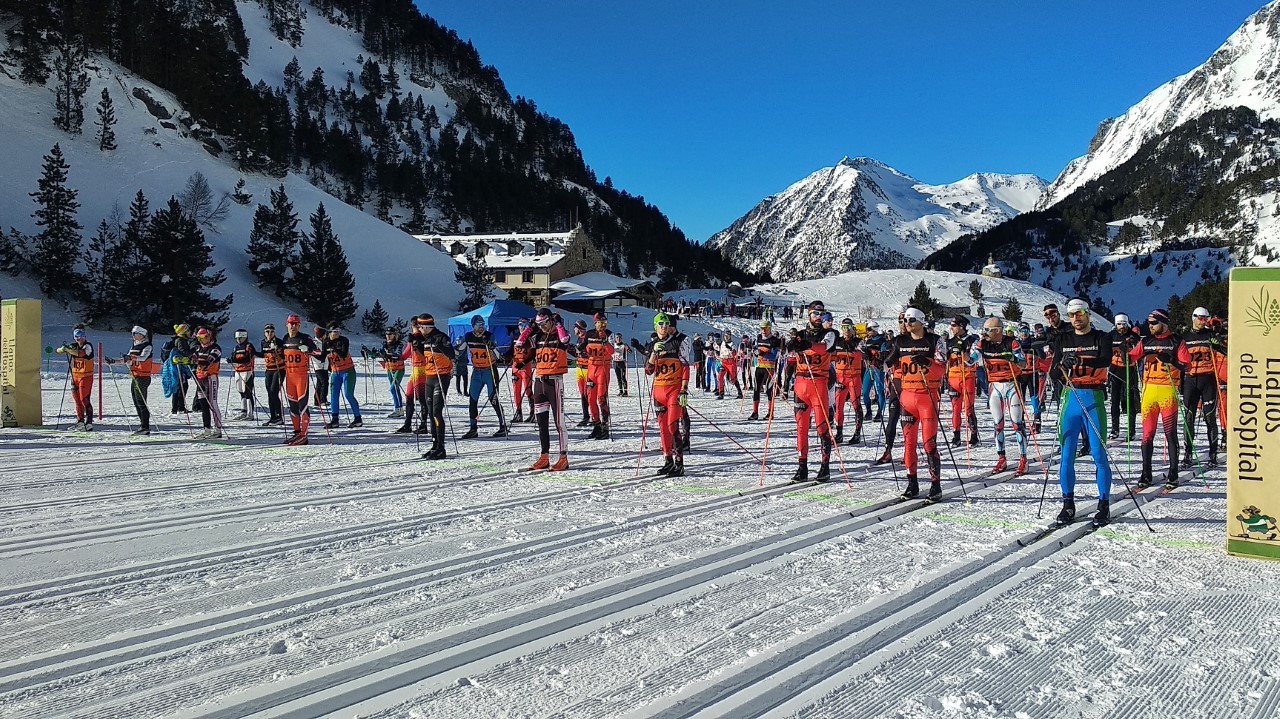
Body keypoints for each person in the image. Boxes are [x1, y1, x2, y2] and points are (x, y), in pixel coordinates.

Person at [1048, 298, 1114, 525]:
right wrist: (1063, 364)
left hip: (1093, 396)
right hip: (1071, 398)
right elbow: (1054, 374)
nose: (1076, 318)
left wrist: (1082, 358)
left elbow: (1105, 359)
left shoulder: (1101, 337)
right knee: (1067, 455)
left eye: (1080, 313)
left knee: (1098, 454)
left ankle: (1103, 505)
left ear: (1088, 314)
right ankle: (1068, 505)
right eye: (1072, 314)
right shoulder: (1062, 339)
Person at [884, 308, 946, 498]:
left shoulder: (935, 341)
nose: (907, 323)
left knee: (929, 444)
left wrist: (927, 363)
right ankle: (912, 483)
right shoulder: (900, 341)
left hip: (927, 397)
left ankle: (935, 485)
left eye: (911, 320)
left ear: (921, 321)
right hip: (907, 397)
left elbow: (942, 369)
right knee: (908, 444)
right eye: (904, 320)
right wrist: (880, 360)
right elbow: (888, 362)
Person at [1128, 308, 1190, 489]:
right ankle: (1146, 473)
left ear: (1163, 323)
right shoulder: (1146, 341)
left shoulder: (1176, 340)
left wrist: (1171, 361)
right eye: (1149, 323)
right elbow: (1130, 359)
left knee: (1170, 433)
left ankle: (1173, 473)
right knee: (1147, 434)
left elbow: (1187, 366)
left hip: (1167, 391)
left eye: (1154, 323)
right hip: (1148, 392)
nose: (1150, 326)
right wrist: (1125, 350)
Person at [787, 301, 838, 482]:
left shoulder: (830, 333)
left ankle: (825, 467)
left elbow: (824, 348)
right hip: (801, 384)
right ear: (808, 315)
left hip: (819, 383)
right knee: (801, 428)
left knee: (822, 427)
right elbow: (790, 347)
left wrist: (805, 346)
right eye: (815, 314)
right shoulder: (801, 334)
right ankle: (802, 467)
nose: (819, 317)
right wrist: (791, 344)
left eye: (821, 314)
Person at [515, 307, 571, 470]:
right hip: (540, 382)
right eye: (539, 324)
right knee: (541, 423)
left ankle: (563, 457)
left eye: (544, 323)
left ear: (551, 320)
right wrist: (531, 327)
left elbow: (565, 340)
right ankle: (544, 456)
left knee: (559, 423)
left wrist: (558, 324)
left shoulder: (559, 334)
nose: (542, 327)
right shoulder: (538, 336)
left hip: (554, 382)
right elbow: (520, 343)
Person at [972, 319, 1029, 475]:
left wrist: (1012, 359)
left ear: (998, 330)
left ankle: (1023, 459)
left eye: (987, 330)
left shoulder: (1012, 343)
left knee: (1017, 423)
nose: (984, 332)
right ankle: (1001, 458)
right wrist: (961, 351)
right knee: (998, 424)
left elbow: (1024, 364)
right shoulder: (983, 344)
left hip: (1012, 385)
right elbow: (971, 360)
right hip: (995, 386)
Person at [643, 312, 693, 476]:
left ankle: (679, 463)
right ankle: (668, 461)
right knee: (663, 428)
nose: (664, 326)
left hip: (674, 390)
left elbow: (685, 367)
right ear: (655, 326)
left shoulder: (678, 342)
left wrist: (684, 389)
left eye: (666, 323)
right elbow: (648, 371)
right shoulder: (652, 345)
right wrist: (653, 354)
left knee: (672, 426)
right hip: (658, 391)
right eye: (661, 323)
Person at [1181, 306, 1226, 467]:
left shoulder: (1210, 335)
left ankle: (1212, 453)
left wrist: (1219, 342)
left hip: (1208, 379)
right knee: (1189, 418)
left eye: (1205, 318)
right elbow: (1177, 359)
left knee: (1210, 417)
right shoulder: (1184, 337)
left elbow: (1227, 351)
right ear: (1193, 318)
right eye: (1200, 318)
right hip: (1190, 380)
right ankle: (1187, 454)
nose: (1203, 321)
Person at [406, 313, 455, 459]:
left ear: (427, 326)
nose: (419, 329)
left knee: (437, 412)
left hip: (441, 376)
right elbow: (424, 354)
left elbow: (451, 353)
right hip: (429, 376)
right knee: (429, 410)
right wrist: (415, 344)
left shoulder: (440, 337)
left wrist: (438, 346)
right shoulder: (425, 338)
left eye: (420, 326)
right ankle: (434, 445)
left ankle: (441, 447)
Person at [461, 315, 508, 439]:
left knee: (493, 399)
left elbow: (498, 356)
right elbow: (459, 350)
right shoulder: (468, 336)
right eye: (478, 325)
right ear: (473, 326)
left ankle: (503, 427)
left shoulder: (489, 336)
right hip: (477, 371)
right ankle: (473, 428)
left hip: (489, 370)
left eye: (483, 325)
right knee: (473, 399)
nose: (481, 327)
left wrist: (491, 346)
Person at [107, 325, 154, 435]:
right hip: (135, 375)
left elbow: (143, 358)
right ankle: (142, 425)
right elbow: (126, 359)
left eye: (135, 334)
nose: (133, 336)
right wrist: (113, 362)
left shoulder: (147, 346)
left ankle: (145, 427)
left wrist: (131, 358)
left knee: (141, 401)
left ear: (141, 335)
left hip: (143, 377)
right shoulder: (134, 346)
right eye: (132, 334)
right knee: (136, 400)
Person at [282, 314, 321, 445]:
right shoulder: (285, 339)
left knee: (302, 406)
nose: (293, 326)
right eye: (291, 323)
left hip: (301, 376)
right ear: (286, 324)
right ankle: (297, 432)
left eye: (295, 324)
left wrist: (308, 349)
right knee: (292, 407)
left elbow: (319, 353)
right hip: (289, 377)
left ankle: (304, 435)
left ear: (299, 325)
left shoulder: (305, 338)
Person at [944, 316, 979, 447]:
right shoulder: (949, 342)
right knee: (955, 408)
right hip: (953, 378)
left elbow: (974, 359)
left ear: (961, 326)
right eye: (951, 326)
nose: (951, 328)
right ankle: (956, 435)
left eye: (954, 326)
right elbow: (944, 359)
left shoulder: (972, 340)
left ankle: (974, 434)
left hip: (968, 377)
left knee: (969, 408)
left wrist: (963, 351)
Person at [830, 318, 864, 444]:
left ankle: (857, 433)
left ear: (852, 329)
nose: (846, 330)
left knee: (856, 404)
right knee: (838, 406)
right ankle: (839, 433)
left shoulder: (857, 341)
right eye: (843, 327)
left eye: (848, 328)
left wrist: (855, 350)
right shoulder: (838, 341)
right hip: (840, 377)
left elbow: (864, 352)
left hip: (853, 377)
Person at [581, 312, 614, 439]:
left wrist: (605, 340)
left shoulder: (609, 334)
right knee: (590, 398)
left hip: (603, 369)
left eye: (605, 322)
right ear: (595, 323)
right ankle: (596, 424)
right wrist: (581, 351)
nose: (603, 325)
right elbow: (581, 347)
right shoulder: (589, 334)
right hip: (591, 369)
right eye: (600, 323)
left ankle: (605, 426)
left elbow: (612, 351)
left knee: (601, 398)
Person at [1107, 314, 1140, 441]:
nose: (1122, 327)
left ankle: (1131, 430)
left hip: (1129, 369)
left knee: (1129, 400)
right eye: (1119, 324)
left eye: (1124, 324)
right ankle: (1115, 429)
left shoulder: (1133, 335)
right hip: (1115, 369)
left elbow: (1139, 350)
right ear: (1115, 324)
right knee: (1114, 401)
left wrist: (1133, 345)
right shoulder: (1111, 335)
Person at [56, 326, 96, 431]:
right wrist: (64, 349)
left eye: (81, 336)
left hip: (85, 376)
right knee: (77, 400)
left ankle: (89, 422)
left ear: (85, 336)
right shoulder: (73, 345)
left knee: (84, 399)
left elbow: (81, 353)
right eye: (76, 336)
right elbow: (58, 350)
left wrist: (68, 350)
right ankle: (80, 421)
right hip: (75, 376)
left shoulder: (88, 346)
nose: (79, 338)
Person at [324, 326, 363, 428]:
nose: (337, 334)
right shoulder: (326, 342)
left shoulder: (343, 340)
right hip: (335, 372)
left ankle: (358, 418)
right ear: (330, 332)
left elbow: (344, 353)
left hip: (348, 371)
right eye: (335, 332)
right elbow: (322, 356)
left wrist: (334, 348)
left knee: (348, 394)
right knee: (333, 395)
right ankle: (334, 420)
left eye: (339, 332)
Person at [190, 327, 224, 439]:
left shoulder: (215, 348)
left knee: (212, 403)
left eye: (203, 337)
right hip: (200, 378)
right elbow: (192, 357)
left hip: (211, 377)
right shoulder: (199, 348)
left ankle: (218, 430)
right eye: (199, 338)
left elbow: (208, 360)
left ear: (209, 336)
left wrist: (196, 361)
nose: (201, 340)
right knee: (203, 405)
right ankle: (207, 429)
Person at [747, 318, 782, 421]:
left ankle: (770, 413)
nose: (763, 331)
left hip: (769, 368)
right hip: (759, 367)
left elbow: (774, 356)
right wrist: (755, 351)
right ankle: (755, 412)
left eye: (765, 328)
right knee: (756, 389)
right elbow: (756, 348)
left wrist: (762, 353)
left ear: (769, 328)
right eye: (762, 328)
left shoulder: (774, 340)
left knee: (768, 390)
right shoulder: (758, 337)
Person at [256, 323, 286, 426]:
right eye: (267, 332)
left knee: (274, 391)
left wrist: (276, 352)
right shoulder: (263, 342)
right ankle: (273, 417)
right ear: (264, 333)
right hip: (269, 369)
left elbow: (284, 356)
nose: (270, 334)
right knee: (269, 393)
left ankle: (279, 416)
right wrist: (253, 352)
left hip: (279, 369)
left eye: (272, 331)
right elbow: (262, 354)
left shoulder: (279, 342)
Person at [161, 323, 194, 414]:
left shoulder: (180, 340)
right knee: (181, 386)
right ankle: (178, 407)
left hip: (178, 366)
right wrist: (194, 350)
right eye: (188, 331)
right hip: (178, 366)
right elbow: (184, 353)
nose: (189, 333)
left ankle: (178, 407)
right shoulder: (180, 340)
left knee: (181, 386)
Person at [860, 321, 888, 421]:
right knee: (865, 390)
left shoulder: (882, 340)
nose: (868, 332)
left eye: (869, 329)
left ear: (874, 329)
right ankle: (868, 411)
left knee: (879, 390)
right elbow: (864, 353)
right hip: (869, 368)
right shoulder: (868, 341)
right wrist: (865, 355)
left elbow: (884, 354)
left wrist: (875, 356)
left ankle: (880, 412)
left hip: (878, 368)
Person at [509, 318, 535, 422]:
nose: (522, 327)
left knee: (528, 390)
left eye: (524, 325)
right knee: (516, 391)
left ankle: (532, 413)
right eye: (520, 325)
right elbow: (511, 350)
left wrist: (523, 363)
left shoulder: (529, 339)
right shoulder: (515, 337)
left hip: (525, 367)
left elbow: (533, 354)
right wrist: (505, 357)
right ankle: (518, 413)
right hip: (515, 367)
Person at [228, 329, 258, 421]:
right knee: (241, 391)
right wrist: (231, 359)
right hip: (238, 371)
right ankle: (243, 411)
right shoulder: (236, 347)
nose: (238, 340)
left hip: (247, 371)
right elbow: (233, 357)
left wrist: (235, 360)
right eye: (237, 338)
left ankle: (250, 413)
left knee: (247, 391)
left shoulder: (248, 346)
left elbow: (247, 359)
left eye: (240, 338)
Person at [378, 327, 406, 418]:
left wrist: (388, 355)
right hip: (390, 369)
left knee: (393, 388)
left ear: (395, 335)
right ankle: (398, 410)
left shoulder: (399, 344)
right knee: (395, 389)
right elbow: (381, 354)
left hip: (399, 369)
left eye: (390, 334)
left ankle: (398, 409)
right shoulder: (385, 344)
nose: (388, 336)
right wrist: (370, 352)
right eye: (387, 334)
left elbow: (398, 354)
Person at [571, 320, 592, 426]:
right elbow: (577, 353)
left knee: (587, 394)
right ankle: (586, 416)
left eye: (575, 328)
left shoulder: (587, 338)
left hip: (586, 369)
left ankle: (590, 416)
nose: (573, 330)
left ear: (578, 329)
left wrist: (582, 353)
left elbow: (589, 353)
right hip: (579, 368)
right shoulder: (579, 338)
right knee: (582, 394)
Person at [311, 325, 330, 411]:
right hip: (318, 365)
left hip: (325, 365)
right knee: (324, 382)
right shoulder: (314, 342)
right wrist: (321, 359)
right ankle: (323, 400)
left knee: (319, 383)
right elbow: (314, 354)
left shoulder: (325, 342)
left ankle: (317, 400)